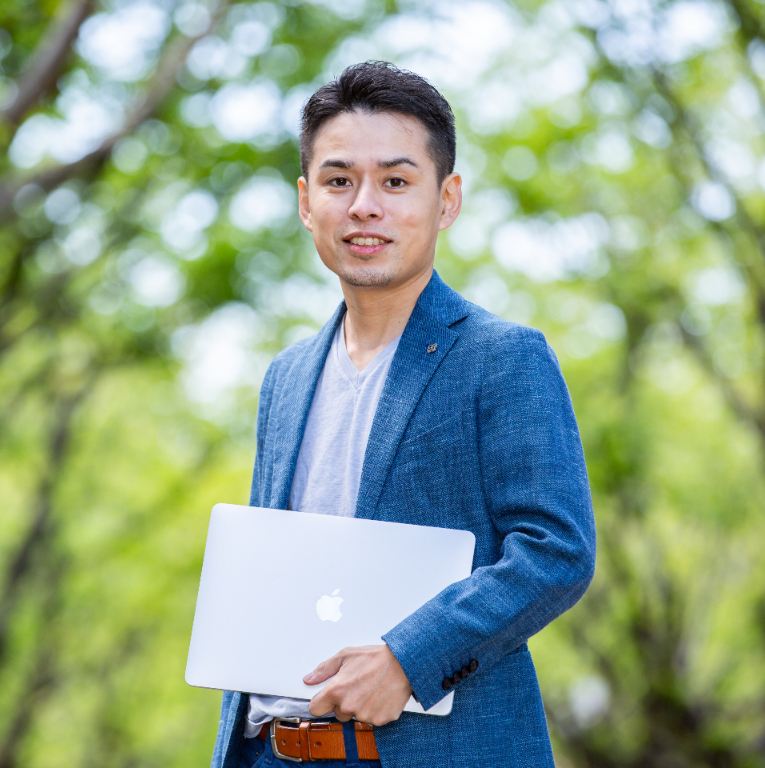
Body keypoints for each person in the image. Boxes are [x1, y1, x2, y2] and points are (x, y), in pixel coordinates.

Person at [211, 60, 596, 768]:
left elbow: (556, 552)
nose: (364, 205)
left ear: (445, 199)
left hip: (431, 750)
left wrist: (406, 659)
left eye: (395, 181)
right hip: (271, 749)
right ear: (305, 201)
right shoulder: (285, 377)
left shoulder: (501, 357)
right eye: (337, 181)